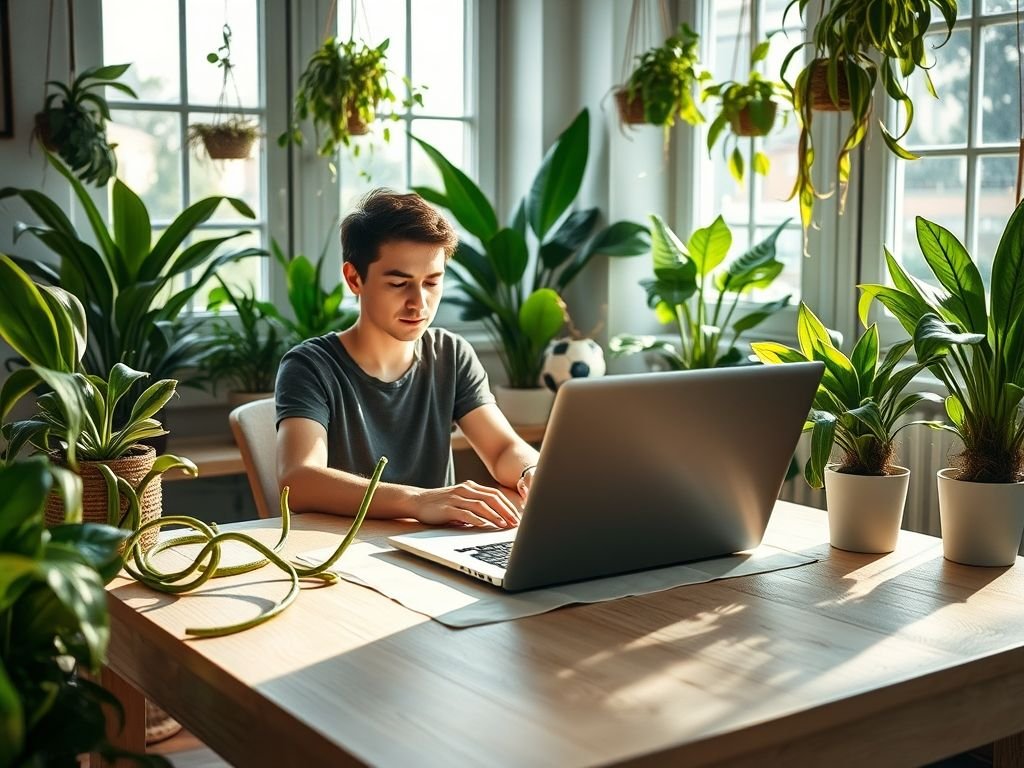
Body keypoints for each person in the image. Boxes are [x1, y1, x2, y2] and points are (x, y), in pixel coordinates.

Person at [276, 188, 540, 528]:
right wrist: (418, 500)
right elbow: (298, 480)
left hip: (434, 551)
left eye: (432, 282)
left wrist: (530, 472)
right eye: (399, 284)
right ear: (354, 278)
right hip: (344, 552)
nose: (420, 303)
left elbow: (504, 449)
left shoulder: (451, 355)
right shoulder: (310, 366)